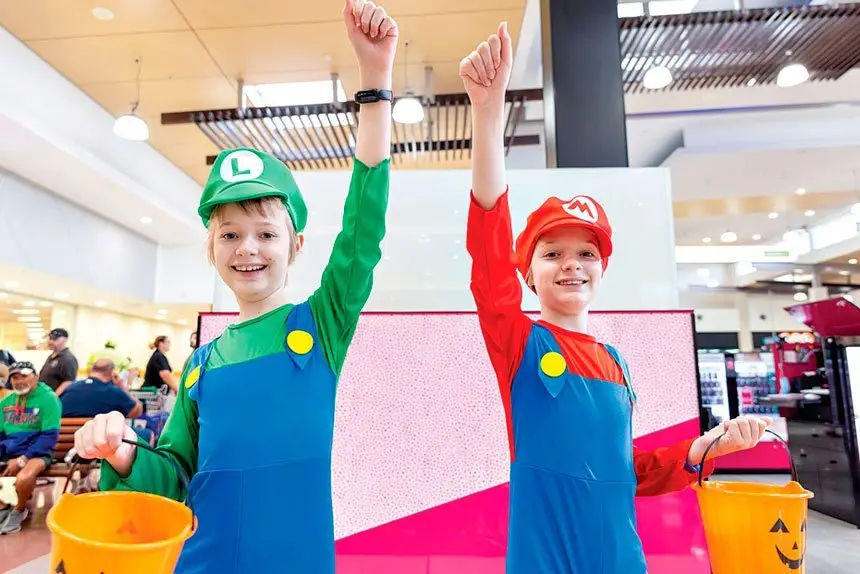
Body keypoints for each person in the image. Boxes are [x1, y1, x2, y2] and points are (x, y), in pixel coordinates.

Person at [73, 1, 395, 571]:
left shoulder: (321, 324)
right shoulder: (200, 363)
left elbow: (362, 231)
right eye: (230, 234)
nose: (247, 248)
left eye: (266, 233)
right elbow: (171, 475)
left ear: (296, 245)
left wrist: (374, 85)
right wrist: (122, 452)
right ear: (211, 249)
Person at [459, 24, 772, 573]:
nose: (571, 265)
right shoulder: (517, 341)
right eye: (552, 253)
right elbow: (487, 253)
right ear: (528, 273)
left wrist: (706, 449)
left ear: (602, 268)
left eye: (586, 254)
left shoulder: (617, 364)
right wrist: (488, 113)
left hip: (621, 559)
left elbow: (627, 471)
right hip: (545, 559)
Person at [0, 362, 62, 534]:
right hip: (10, 451)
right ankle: (3, 507)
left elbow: (49, 437)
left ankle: (19, 510)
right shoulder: (6, 402)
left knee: (24, 478)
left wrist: (22, 460)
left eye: (24, 376)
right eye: (15, 377)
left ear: (35, 376)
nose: (19, 381)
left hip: (38, 453)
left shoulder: (49, 399)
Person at [60, 359, 143, 420]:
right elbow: (136, 411)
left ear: (91, 371)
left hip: (64, 440)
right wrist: (122, 388)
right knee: (147, 434)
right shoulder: (113, 392)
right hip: (98, 441)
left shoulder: (70, 388)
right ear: (111, 373)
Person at [38, 328, 79, 393]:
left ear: (65, 340)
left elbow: (68, 382)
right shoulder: (52, 356)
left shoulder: (67, 359)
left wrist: (54, 397)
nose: (50, 341)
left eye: (55, 339)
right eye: (50, 338)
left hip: (55, 400)